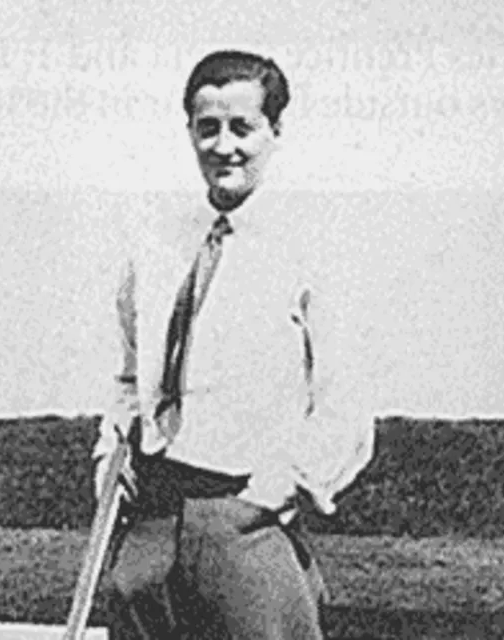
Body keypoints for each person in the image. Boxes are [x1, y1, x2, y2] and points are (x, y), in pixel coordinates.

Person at [92, 49, 376, 639]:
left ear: (275, 130)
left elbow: (345, 401)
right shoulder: (156, 246)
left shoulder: (312, 250)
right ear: (190, 131)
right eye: (208, 128)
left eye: (242, 127)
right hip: (152, 518)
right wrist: (110, 455)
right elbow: (129, 375)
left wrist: (279, 488)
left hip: (245, 520)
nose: (224, 146)